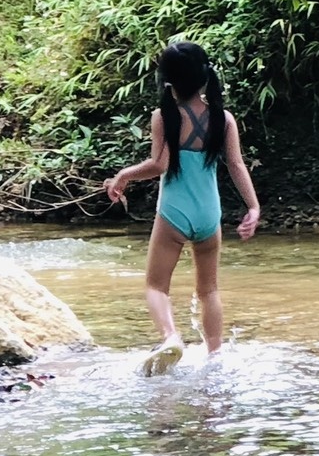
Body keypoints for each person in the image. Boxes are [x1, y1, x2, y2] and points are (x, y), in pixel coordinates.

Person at [104, 39, 262, 375]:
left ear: (167, 80)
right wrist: (253, 207)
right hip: (209, 214)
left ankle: (171, 337)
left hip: (174, 212)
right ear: (205, 76)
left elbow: (158, 165)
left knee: (156, 286)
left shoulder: (164, 116)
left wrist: (123, 176)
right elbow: (236, 165)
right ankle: (215, 355)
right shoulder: (223, 119)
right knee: (209, 290)